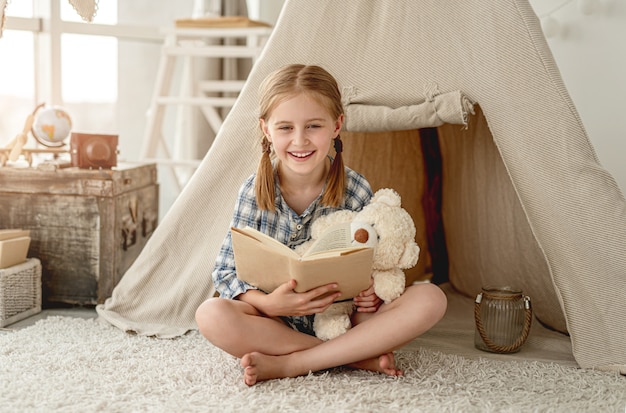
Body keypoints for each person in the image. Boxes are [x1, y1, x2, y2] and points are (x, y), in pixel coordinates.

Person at [195, 64, 447, 386]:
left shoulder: (356, 189)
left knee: (431, 299)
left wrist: (370, 294)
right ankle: (355, 357)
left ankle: (294, 364)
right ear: (266, 130)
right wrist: (270, 303)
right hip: (276, 323)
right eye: (285, 127)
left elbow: (371, 266)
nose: (300, 141)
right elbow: (226, 273)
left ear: (337, 125)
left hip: (342, 318)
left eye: (313, 126)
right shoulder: (253, 191)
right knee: (210, 314)